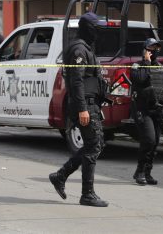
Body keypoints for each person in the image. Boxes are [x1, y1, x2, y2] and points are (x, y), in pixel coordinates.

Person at [49, 12, 108, 207]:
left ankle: (61, 175)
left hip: (91, 104)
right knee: (94, 145)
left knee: (96, 144)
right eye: (96, 28)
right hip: (84, 105)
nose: (98, 32)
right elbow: (76, 81)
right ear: (87, 28)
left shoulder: (86, 48)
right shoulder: (79, 50)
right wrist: (83, 109)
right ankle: (87, 194)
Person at [130, 37, 163, 185]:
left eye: (156, 49)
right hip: (142, 109)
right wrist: (147, 63)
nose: (153, 52)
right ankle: (139, 171)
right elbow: (140, 80)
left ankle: (147, 173)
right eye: (150, 49)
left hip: (156, 109)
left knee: (154, 143)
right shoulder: (137, 66)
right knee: (148, 139)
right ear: (144, 51)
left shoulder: (161, 68)